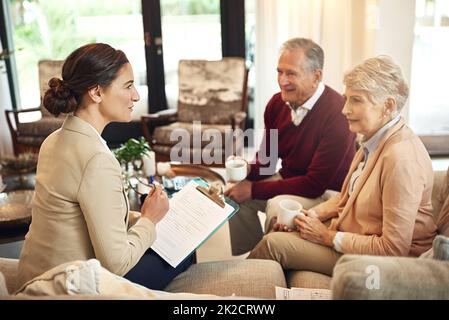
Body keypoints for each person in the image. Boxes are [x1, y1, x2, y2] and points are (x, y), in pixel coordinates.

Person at [17, 43, 193, 290]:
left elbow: (78, 217)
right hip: (72, 287)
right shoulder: (96, 158)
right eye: (128, 86)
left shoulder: (52, 141)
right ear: (97, 93)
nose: (136, 96)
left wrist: (142, 218)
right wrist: (149, 220)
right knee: (184, 248)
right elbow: (117, 264)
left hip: (38, 277)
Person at [248, 56, 438, 276]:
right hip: (359, 235)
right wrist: (309, 217)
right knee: (282, 223)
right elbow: (346, 197)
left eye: (356, 100)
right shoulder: (373, 139)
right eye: (346, 99)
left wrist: (327, 237)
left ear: (387, 106)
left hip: (389, 265)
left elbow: (393, 248)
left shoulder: (401, 160)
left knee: (273, 244)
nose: (344, 109)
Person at [225, 38, 356, 255]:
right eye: (279, 72)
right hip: (291, 179)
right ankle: (251, 257)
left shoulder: (338, 112)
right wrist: (247, 170)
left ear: (316, 76)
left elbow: (314, 184)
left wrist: (254, 189)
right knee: (234, 197)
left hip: (328, 193)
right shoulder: (277, 104)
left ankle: (269, 258)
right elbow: (267, 161)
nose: (282, 81)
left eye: (291, 73)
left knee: (277, 205)